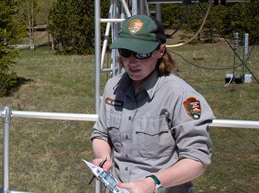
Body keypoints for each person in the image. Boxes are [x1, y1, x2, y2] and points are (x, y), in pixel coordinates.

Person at [90, 14, 214, 193]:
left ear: (160, 51)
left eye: (142, 53)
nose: (132, 62)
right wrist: (104, 158)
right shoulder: (113, 87)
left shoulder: (180, 95)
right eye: (125, 52)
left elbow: (197, 159)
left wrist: (153, 183)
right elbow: (101, 134)